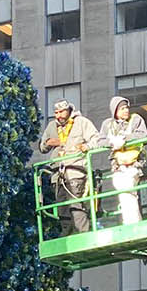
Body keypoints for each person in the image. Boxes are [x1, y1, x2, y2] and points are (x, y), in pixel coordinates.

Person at [38, 99, 97, 233]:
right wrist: (49, 143)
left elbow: (96, 139)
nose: (58, 115)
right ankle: (67, 236)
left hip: (76, 170)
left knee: (76, 205)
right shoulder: (52, 126)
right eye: (56, 112)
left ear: (69, 110)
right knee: (62, 208)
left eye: (61, 112)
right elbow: (42, 147)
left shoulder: (81, 122)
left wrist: (86, 146)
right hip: (57, 174)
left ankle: (83, 234)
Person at [95, 97, 147, 224]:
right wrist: (112, 142)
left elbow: (142, 134)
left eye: (126, 108)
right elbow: (100, 141)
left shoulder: (136, 119)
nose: (126, 110)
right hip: (118, 165)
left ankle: (132, 222)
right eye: (122, 108)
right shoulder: (108, 124)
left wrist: (125, 138)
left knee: (128, 188)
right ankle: (133, 221)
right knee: (122, 188)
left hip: (135, 163)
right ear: (115, 111)